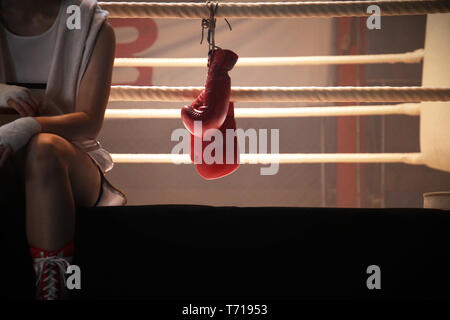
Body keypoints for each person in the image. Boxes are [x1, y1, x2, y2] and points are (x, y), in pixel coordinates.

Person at [0, 0, 126, 300]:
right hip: (6, 161)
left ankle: (54, 288)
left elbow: (88, 122)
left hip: (70, 164)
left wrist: (26, 126)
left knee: (44, 150)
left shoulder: (88, 23)